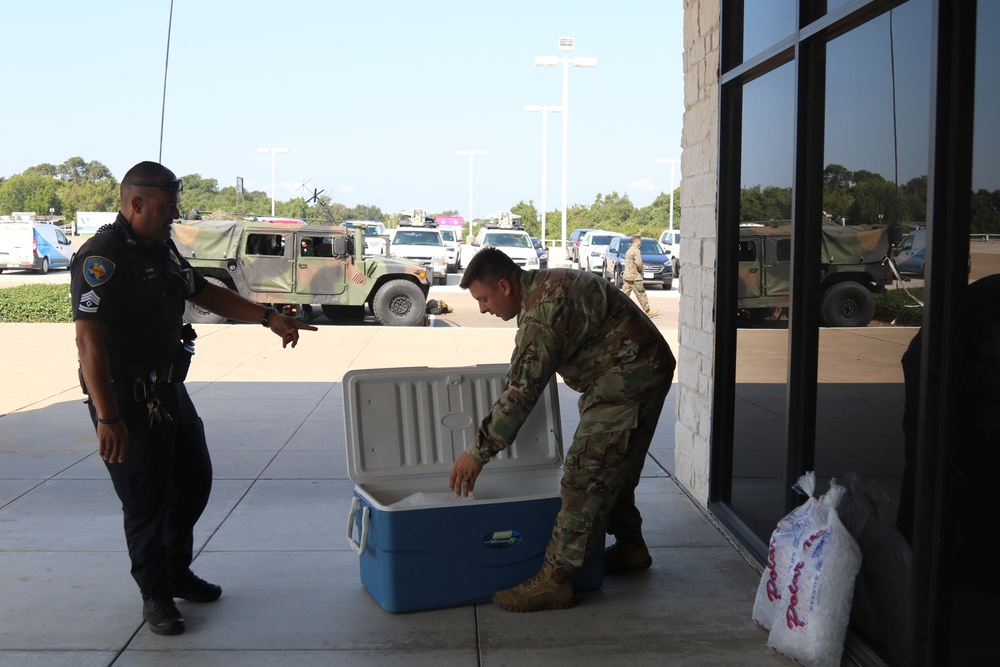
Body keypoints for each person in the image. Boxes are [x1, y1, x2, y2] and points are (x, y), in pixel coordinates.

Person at [71, 161, 317, 636]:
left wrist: (268, 318)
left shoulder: (161, 249)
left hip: (168, 391)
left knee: (193, 481)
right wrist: (107, 417)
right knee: (146, 501)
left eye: (174, 206)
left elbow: (204, 292)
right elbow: (89, 343)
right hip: (125, 402)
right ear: (135, 203)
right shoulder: (103, 257)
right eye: (165, 207)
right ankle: (156, 595)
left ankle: (176, 570)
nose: (173, 215)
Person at [450, 248, 676, 612]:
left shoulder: (541, 315)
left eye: (484, 298)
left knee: (585, 474)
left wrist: (477, 454)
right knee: (614, 468)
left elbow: (521, 392)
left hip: (630, 377)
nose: (482, 309)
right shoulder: (544, 285)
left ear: (505, 286)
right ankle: (633, 548)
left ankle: (555, 581)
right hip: (640, 367)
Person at [622, 234, 657, 318]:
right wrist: (641, 270)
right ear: (636, 241)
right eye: (640, 241)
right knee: (641, 293)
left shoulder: (629, 250)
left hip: (627, 276)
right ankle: (648, 311)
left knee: (623, 295)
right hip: (635, 277)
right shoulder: (636, 251)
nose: (640, 242)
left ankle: (617, 312)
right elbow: (638, 263)